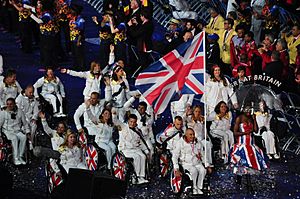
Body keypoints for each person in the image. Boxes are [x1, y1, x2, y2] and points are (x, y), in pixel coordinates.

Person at [229, 105, 268, 189]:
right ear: (243, 110)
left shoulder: (251, 118)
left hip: (250, 144)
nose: (248, 111)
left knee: (247, 163)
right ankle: (247, 184)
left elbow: (256, 130)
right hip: (242, 144)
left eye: (250, 110)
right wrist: (245, 133)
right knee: (243, 163)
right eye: (247, 110)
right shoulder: (239, 118)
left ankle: (243, 182)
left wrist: (254, 119)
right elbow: (235, 133)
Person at [115, 113, 149, 184]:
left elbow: (140, 142)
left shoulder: (137, 130)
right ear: (128, 121)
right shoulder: (123, 127)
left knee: (143, 156)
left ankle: (141, 177)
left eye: (134, 122)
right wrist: (114, 114)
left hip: (135, 149)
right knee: (136, 157)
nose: (132, 123)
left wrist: (146, 150)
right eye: (131, 122)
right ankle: (136, 177)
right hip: (125, 149)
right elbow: (115, 120)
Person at [172, 128, 206, 195]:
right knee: (194, 171)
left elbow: (203, 154)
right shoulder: (180, 143)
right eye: (190, 134)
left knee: (203, 170)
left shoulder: (198, 142)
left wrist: (207, 164)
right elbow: (175, 156)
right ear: (186, 135)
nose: (192, 136)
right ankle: (194, 188)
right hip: (186, 164)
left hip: (197, 162)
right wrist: (176, 168)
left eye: (193, 134)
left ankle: (199, 187)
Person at [0, 98, 30, 165]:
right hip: (7, 131)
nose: (9, 106)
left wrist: (28, 131)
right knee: (14, 138)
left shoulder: (20, 112)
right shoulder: (3, 113)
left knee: (23, 137)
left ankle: (20, 156)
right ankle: (15, 158)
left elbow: (25, 123)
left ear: (14, 104)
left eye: (11, 104)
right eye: (7, 104)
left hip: (17, 130)